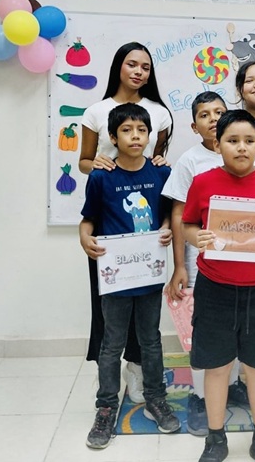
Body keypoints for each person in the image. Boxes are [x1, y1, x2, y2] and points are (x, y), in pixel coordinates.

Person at [182, 110, 255, 462]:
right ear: (218, 145)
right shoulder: (203, 182)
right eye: (232, 140)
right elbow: (187, 224)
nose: (241, 147)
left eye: (249, 140)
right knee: (217, 367)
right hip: (215, 289)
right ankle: (215, 438)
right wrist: (196, 237)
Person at [79, 103, 179, 449]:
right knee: (112, 343)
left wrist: (165, 229)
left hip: (148, 274)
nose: (135, 136)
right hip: (115, 277)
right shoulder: (101, 176)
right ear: (112, 136)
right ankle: (106, 406)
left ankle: (156, 398)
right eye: (126, 130)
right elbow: (88, 220)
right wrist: (84, 238)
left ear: (150, 136)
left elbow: (167, 215)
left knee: (150, 339)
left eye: (141, 130)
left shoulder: (161, 173)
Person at [78, 42, 174, 403]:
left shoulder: (159, 113)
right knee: (111, 311)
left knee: (147, 320)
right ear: (118, 66)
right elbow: (85, 161)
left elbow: (157, 163)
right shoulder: (96, 111)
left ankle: (138, 371)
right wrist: (97, 164)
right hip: (109, 227)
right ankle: (108, 380)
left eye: (145, 67)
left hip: (147, 237)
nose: (138, 72)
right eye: (132, 64)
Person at [160, 92, 249, 437]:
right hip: (202, 263)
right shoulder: (190, 161)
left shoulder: (245, 155)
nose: (213, 118)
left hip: (241, 260)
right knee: (205, 330)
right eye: (204, 114)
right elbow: (179, 215)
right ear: (194, 126)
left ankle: (233, 383)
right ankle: (199, 396)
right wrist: (179, 266)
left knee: (237, 324)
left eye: (219, 112)